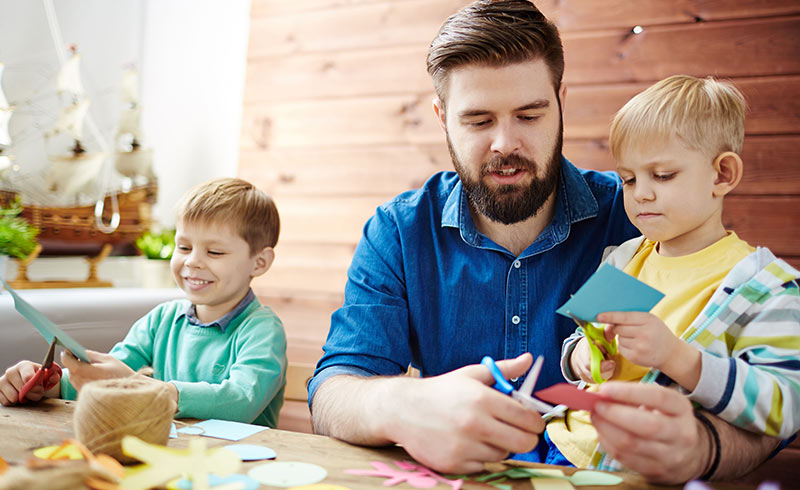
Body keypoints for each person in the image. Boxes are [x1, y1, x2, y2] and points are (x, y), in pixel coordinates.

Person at [308, 0, 784, 483]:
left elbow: (776, 403)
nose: (505, 144)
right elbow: (333, 392)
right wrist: (403, 405)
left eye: (530, 115)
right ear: (441, 115)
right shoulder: (399, 231)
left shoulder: (647, 218)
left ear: (560, 100)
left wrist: (703, 449)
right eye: (478, 121)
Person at [544, 75, 800, 471]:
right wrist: (584, 357)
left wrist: (679, 358)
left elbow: (785, 406)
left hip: (637, 471)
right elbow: (582, 338)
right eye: (628, 178)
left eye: (662, 175)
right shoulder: (626, 258)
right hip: (556, 442)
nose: (640, 193)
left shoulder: (766, 287)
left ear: (722, 175)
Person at [0, 177, 288, 427]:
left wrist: (145, 389)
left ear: (259, 262)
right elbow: (110, 377)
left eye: (214, 252)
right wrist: (46, 385)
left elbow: (240, 402)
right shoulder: (161, 319)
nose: (192, 261)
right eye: (184, 246)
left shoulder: (262, 329)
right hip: (167, 452)